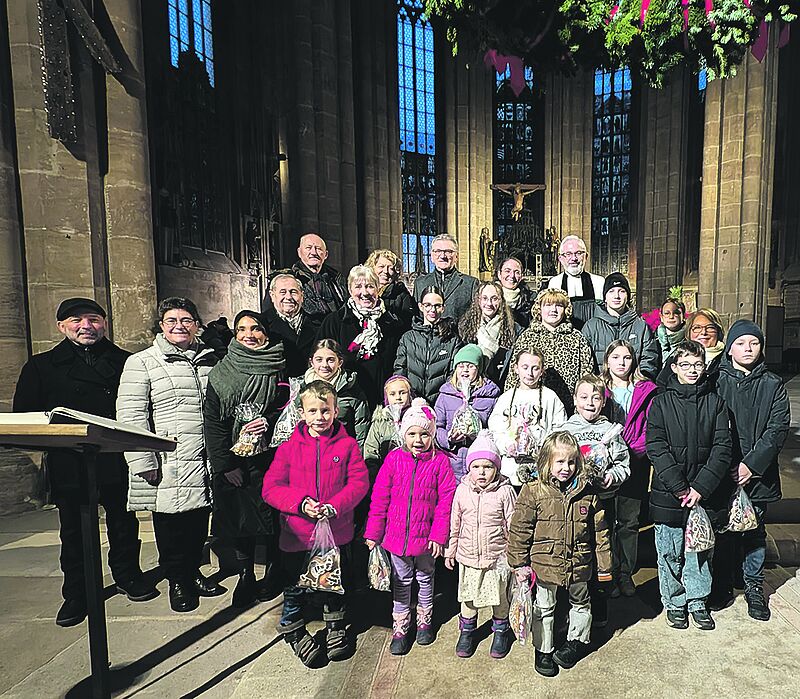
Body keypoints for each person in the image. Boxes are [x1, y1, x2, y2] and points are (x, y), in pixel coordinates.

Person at [13, 298, 156, 627]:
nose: (86, 326)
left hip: (115, 457)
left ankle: (127, 575)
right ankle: (77, 592)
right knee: (75, 530)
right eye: (76, 320)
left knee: (123, 523)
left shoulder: (126, 362)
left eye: (93, 319)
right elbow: (26, 415)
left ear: (104, 324)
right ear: (61, 327)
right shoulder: (42, 366)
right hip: (70, 461)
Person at [117, 297, 225, 614]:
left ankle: (193, 571)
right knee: (169, 524)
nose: (179, 326)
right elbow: (132, 416)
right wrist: (142, 461)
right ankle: (176, 579)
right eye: (171, 320)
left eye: (186, 320)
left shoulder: (209, 361)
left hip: (202, 457)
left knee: (197, 520)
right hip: (168, 458)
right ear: (161, 326)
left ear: (197, 325)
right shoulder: (143, 362)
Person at [261, 380, 368, 665]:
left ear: (335, 411)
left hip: (336, 532)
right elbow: (271, 488)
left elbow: (359, 483)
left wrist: (337, 505)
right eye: (313, 411)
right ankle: (294, 630)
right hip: (298, 534)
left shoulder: (347, 446)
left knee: (334, 583)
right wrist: (300, 504)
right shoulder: (287, 449)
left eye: (325, 411)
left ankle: (335, 626)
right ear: (302, 413)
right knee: (295, 588)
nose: (320, 417)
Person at [507, 431, 611, 677]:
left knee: (581, 603)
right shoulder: (534, 491)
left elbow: (601, 532)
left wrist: (605, 567)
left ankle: (576, 640)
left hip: (579, 562)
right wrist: (518, 563)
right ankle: (543, 648)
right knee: (544, 606)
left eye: (572, 462)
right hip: (545, 562)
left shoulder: (588, 493)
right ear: (547, 462)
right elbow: (520, 528)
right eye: (560, 462)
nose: (566, 468)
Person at [646, 340, 732, 631]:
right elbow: (655, 445)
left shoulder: (715, 402)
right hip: (670, 492)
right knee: (668, 550)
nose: (693, 370)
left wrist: (700, 488)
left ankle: (697, 601)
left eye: (698, 364)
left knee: (698, 551)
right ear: (674, 368)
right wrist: (680, 486)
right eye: (686, 365)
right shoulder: (660, 402)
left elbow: (723, 448)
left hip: (702, 492)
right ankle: (674, 602)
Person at [203, 310, 286, 608]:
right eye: (241, 330)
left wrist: (269, 420)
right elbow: (212, 421)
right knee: (239, 522)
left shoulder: (279, 366)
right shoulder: (222, 372)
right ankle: (245, 574)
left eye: (255, 329)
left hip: (272, 457)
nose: (249, 334)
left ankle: (275, 572)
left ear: (266, 333)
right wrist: (225, 465)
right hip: (236, 460)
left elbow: (289, 408)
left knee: (274, 519)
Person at [364, 399, 458, 656]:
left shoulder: (440, 463)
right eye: (412, 434)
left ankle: (425, 620)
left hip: (426, 538)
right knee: (401, 581)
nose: (418, 439)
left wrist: (439, 535)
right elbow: (380, 497)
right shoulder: (394, 460)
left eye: (425, 434)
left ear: (432, 435)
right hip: (396, 538)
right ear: (403, 435)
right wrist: (374, 532)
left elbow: (445, 502)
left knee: (426, 577)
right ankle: (401, 627)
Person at [712, 320, 790, 620]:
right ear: (729, 348)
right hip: (723, 470)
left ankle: (754, 587)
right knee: (724, 531)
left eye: (754, 343)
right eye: (741, 343)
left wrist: (752, 465)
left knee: (754, 531)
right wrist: (726, 464)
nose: (748, 348)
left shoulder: (772, 385)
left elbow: (777, 429)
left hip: (758, 474)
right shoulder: (715, 380)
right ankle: (722, 585)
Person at [563, 374, 630, 628]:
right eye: (584, 397)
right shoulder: (566, 431)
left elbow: (624, 464)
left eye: (596, 397)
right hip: (573, 505)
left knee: (600, 551)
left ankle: (600, 605)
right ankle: (574, 605)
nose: (590, 402)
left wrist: (612, 477)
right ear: (575, 400)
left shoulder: (610, 431)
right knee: (576, 551)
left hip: (603, 503)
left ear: (603, 402)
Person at [444, 431, 517, 659]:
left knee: (499, 599)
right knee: (469, 599)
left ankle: (501, 631)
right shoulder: (462, 491)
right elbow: (454, 523)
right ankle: (467, 631)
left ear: (497, 468)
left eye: (487, 467)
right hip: (468, 558)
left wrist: (515, 557)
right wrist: (451, 549)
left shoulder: (505, 492)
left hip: (496, 559)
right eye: (476, 467)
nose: (482, 472)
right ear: (469, 468)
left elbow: (512, 525)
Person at [602, 341, 658, 598]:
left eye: (626, 357)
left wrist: (635, 449)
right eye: (616, 357)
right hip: (605, 464)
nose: (621, 362)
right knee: (606, 520)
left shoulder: (644, 389)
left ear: (634, 361)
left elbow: (651, 426)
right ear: (607, 361)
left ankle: (625, 573)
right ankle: (608, 573)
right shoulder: (600, 388)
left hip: (635, 461)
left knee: (629, 521)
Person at [318, 265, 405, 408]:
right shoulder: (335, 321)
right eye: (358, 287)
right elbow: (320, 361)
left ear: (378, 289)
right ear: (350, 290)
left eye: (370, 286)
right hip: (347, 400)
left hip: (384, 399)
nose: (364, 292)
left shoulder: (392, 322)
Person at [506, 289, 594, 414]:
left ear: (565, 310)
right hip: (532, 408)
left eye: (559, 305)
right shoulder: (527, 337)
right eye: (548, 305)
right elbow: (513, 375)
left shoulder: (576, 338)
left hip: (568, 407)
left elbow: (586, 373)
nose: (553, 310)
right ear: (539, 309)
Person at [488, 349, 567, 488]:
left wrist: (543, 447)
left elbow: (560, 429)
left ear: (542, 371)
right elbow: (496, 428)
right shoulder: (506, 398)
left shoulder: (550, 397)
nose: (530, 373)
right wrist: (507, 446)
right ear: (516, 369)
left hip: (540, 470)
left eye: (535, 368)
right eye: (525, 367)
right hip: (510, 472)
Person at [434, 344, 501, 480]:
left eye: (470, 366)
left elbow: (496, 428)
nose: (465, 370)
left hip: (479, 464)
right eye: (461, 366)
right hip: (450, 461)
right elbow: (436, 426)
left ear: (479, 369)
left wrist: (479, 435)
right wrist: (448, 439)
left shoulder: (490, 396)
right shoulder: (446, 395)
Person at [581, 272, 660, 379]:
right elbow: (584, 361)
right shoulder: (591, 326)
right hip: (601, 388)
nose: (616, 296)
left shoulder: (641, 326)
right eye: (611, 291)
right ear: (605, 297)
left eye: (621, 291)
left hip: (633, 386)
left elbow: (649, 358)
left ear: (628, 296)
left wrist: (640, 382)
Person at [394, 286, 462, 404]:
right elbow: (400, 371)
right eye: (428, 305)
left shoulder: (452, 340)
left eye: (437, 305)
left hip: (440, 403)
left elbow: (453, 374)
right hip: (413, 403)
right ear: (421, 306)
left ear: (443, 308)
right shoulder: (408, 338)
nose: (432, 310)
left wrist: (444, 399)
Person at [265, 233, 347, 323]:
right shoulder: (285, 280)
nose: (313, 252)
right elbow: (269, 314)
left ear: (326, 254)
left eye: (318, 249)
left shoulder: (336, 278)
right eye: (308, 248)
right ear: (299, 252)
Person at [302, 339, 369, 449]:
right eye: (319, 360)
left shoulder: (351, 390)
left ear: (340, 362)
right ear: (312, 362)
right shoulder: (302, 388)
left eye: (330, 360)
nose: (324, 365)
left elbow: (362, 428)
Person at [458, 280, 522, 386]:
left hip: (501, 385)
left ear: (501, 301)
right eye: (485, 298)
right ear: (478, 300)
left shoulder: (513, 329)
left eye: (494, 299)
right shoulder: (465, 327)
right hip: (473, 385)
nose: (489, 303)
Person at [262, 273, 321, 378]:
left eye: (293, 292)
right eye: (283, 292)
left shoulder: (319, 323)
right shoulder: (261, 324)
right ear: (272, 295)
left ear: (302, 296)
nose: (288, 297)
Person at [413, 233, 479, 322]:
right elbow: (417, 317)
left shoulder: (470, 283)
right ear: (432, 256)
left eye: (448, 251)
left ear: (456, 257)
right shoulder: (420, 283)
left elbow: (476, 316)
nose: (443, 256)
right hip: (429, 334)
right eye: (438, 251)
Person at [547, 235, 605, 328]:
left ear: (586, 256)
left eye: (578, 253)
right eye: (568, 254)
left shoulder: (599, 282)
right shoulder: (554, 283)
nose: (574, 258)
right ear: (561, 259)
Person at [363, 375, 413, 479]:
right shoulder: (380, 422)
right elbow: (371, 450)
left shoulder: (417, 418)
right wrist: (376, 476)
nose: (398, 397)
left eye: (402, 392)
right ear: (387, 397)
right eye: (392, 394)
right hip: (385, 475)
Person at [365, 249, 416, 331]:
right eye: (381, 266)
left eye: (390, 268)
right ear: (372, 268)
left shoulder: (402, 295)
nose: (385, 271)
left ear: (396, 272)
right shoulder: (363, 292)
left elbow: (406, 323)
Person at [495, 255, 535, 328]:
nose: (512, 276)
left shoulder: (530, 299)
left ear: (521, 276)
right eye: (507, 271)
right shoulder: (489, 297)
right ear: (499, 274)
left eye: (517, 272)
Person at [656, 297, 686, 363]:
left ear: (683, 316)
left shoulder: (689, 340)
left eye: (676, 313)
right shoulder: (654, 339)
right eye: (667, 313)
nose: (671, 316)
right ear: (661, 317)